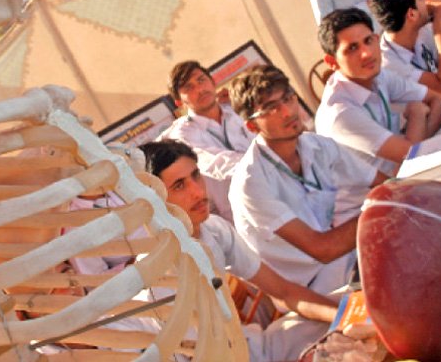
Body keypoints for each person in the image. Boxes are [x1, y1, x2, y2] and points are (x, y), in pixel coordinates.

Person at [140, 139, 336, 361]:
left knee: (343, 310)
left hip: (250, 346)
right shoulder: (156, 278)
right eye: (179, 185)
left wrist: (345, 317)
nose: (197, 192)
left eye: (195, 176)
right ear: (155, 201)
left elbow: (284, 292)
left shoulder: (214, 229)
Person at [228, 64, 388, 296]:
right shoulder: (250, 182)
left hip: (345, 260)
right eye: (272, 108)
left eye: (288, 98)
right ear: (252, 126)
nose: (288, 111)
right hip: (310, 288)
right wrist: (384, 211)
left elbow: (382, 182)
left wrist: (396, 199)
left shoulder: (316, 145)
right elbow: (323, 249)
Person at [315, 8, 441, 165]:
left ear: (377, 39)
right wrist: (418, 116)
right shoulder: (340, 112)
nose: (367, 53)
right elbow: (410, 155)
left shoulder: (379, 75)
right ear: (332, 62)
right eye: (353, 48)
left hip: (406, 170)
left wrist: (419, 136)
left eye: (368, 41)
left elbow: (438, 98)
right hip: (382, 187)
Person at [160, 60, 255, 223]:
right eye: (188, 88)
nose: (199, 89)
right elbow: (215, 163)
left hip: (278, 193)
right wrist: (268, 162)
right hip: (239, 217)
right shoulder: (182, 135)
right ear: (178, 102)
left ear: (213, 81)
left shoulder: (238, 110)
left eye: (201, 80)